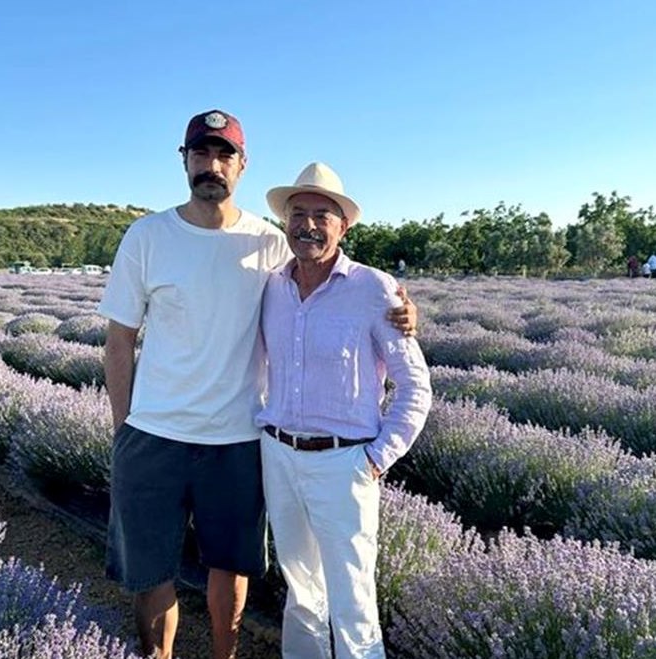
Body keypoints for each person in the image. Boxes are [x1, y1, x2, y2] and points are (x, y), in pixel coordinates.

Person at [98, 112, 417, 659]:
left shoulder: (270, 245)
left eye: (224, 156)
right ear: (185, 159)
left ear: (241, 166)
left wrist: (403, 313)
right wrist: (124, 428)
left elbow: (361, 313)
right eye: (201, 153)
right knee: (154, 573)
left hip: (239, 440)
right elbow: (119, 340)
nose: (212, 166)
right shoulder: (148, 237)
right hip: (156, 436)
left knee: (241, 569)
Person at [256, 162, 433, 658]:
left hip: (345, 463)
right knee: (300, 591)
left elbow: (416, 385)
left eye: (321, 215)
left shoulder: (374, 289)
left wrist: (376, 458)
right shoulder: (271, 285)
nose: (307, 225)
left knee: (353, 601)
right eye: (298, 214)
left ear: (343, 226)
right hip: (279, 454)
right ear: (284, 221)